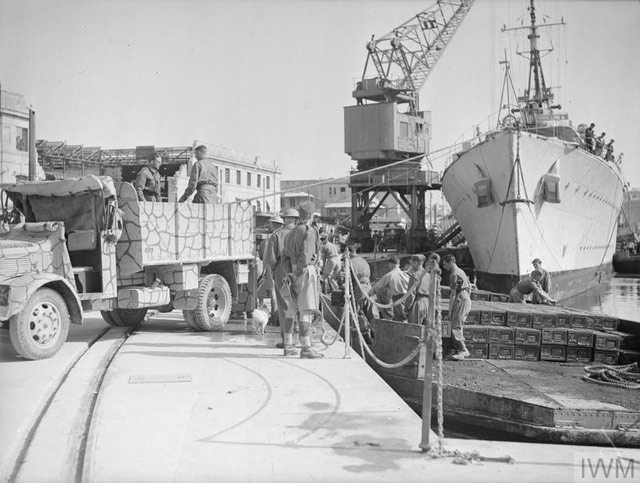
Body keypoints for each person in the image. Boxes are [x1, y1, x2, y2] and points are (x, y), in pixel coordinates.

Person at [282, 201, 323, 358]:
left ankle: (288, 345)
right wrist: (299, 272)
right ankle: (306, 348)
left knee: (291, 310)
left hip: (292, 273)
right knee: (305, 310)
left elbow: (284, 255)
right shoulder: (309, 231)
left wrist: (289, 274)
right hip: (304, 272)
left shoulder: (291, 232)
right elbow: (306, 256)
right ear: (311, 215)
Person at [263, 208, 299, 350]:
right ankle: (303, 340)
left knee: (284, 305)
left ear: (284, 219)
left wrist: (272, 270)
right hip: (299, 271)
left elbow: (271, 259)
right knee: (301, 305)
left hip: (282, 271)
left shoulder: (276, 235)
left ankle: (287, 340)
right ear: (296, 219)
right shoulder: (303, 233)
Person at [442, 254, 472, 360]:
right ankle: (460, 349)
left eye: (445, 264)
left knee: (455, 326)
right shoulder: (461, 272)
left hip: (461, 298)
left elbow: (453, 294)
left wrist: (450, 311)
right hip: (466, 297)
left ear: (450, 263)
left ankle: (463, 350)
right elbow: (469, 287)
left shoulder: (454, 274)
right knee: (459, 325)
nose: (444, 267)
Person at [371, 255, 409, 322]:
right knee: (405, 318)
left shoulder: (389, 275)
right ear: (399, 264)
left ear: (390, 264)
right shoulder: (406, 275)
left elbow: (376, 287)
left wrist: (366, 296)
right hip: (407, 299)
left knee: (400, 320)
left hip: (398, 299)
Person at [405, 254, 431, 326]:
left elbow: (411, 294)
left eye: (412, 263)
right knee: (425, 329)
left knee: (414, 329)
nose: (411, 265)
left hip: (417, 303)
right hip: (427, 304)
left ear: (416, 263)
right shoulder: (429, 275)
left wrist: (406, 308)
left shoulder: (415, 275)